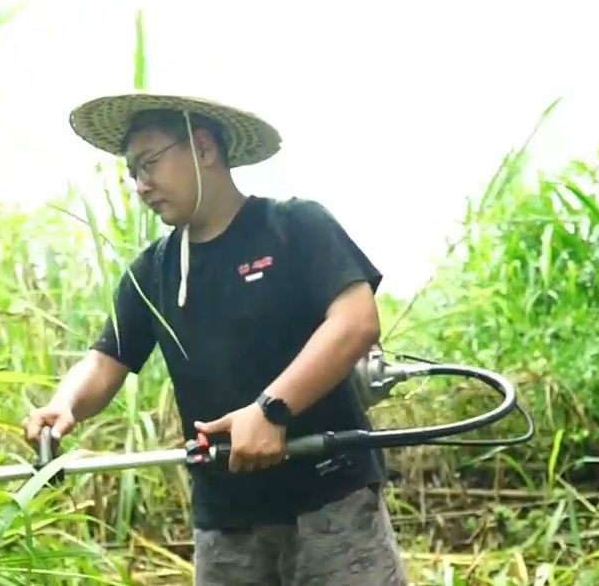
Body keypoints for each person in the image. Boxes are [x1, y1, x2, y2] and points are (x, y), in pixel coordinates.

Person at [24, 93, 408, 585]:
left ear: (203, 148)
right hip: (227, 523)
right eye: (132, 173)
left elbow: (355, 321)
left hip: (331, 503)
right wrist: (65, 405)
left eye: (150, 164)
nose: (141, 186)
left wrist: (271, 409)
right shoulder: (154, 272)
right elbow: (107, 358)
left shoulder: (294, 227)